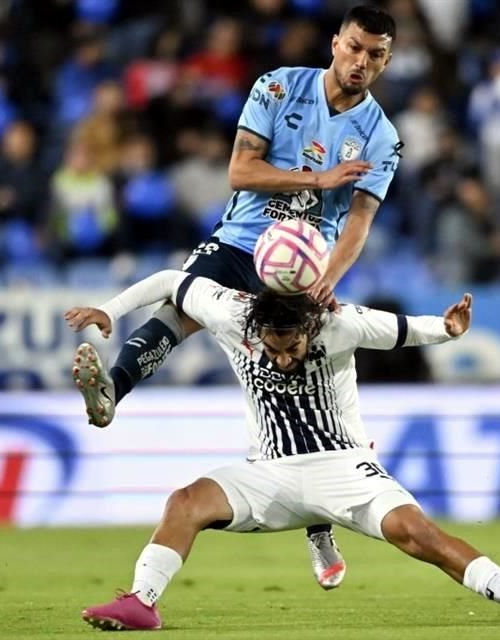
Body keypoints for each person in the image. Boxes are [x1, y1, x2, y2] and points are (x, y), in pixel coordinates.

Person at [63, 271, 500, 631]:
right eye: (271, 348)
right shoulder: (231, 314)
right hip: (270, 472)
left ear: (309, 329)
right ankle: (142, 603)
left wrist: (449, 328)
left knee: (419, 535)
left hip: (343, 465)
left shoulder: (340, 322)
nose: (282, 359)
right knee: (186, 502)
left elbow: (407, 330)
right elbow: (172, 281)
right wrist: (111, 309)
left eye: (292, 348)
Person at [99, 5, 404, 590]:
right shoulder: (278, 87)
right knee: (184, 306)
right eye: (355, 47)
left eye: (375, 55)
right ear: (336, 42)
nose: (361, 61)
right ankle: (112, 390)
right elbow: (241, 172)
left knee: (307, 397)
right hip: (244, 242)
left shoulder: (382, 137)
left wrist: (328, 280)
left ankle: (321, 527)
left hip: (302, 267)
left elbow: (360, 221)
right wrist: (318, 180)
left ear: (386, 61)